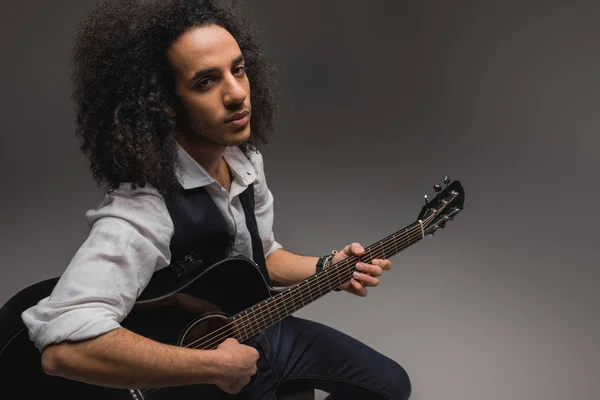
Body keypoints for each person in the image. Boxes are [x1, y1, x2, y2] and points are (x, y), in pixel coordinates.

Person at [20, 0, 412, 398]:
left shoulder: (243, 161)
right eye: (206, 82)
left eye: (238, 70)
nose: (237, 94)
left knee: (388, 385)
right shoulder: (144, 209)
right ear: (165, 103)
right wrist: (211, 366)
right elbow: (63, 349)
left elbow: (260, 256)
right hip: (204, 373)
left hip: (257, 328)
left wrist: (328, 267)